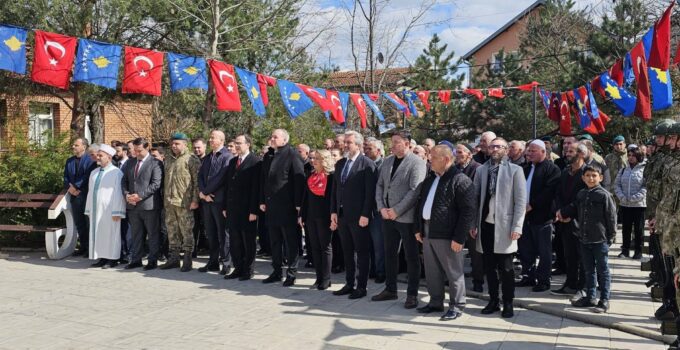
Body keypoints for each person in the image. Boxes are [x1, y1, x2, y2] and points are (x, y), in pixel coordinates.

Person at [413, 145, 475, 320]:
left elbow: (468, 211)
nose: (429, 160)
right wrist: (418, 228)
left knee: (453, 271)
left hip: (448, 234)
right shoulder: (430, 179)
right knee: (432, 271)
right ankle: (435, 302)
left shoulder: (460, 180)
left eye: (433, 157)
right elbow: (421, 204)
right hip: (428, 230)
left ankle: (457, 305)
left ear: (446, 160)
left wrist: (459, 237)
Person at [470, 138, 526, 318]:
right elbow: (475, 199)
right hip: (486, 225)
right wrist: (473, 223)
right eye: (492, 146)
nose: (494, 149)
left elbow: (520, 201)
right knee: (489, 267)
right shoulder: (482, 170)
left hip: (505, 226)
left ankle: (508, 302)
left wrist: (517, 226)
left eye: (498, 146)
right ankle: (493, 300)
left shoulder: (515, 171)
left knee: (507, 268)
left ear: (506, 149)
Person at [373, 131, 427, 309]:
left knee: (411, 257)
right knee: (390, 254)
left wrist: (396, 210)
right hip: (387, 216)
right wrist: (381, 207)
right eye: (392, 142)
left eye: (396, 142)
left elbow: (414, 191)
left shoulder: (417, 163)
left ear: (407, 143)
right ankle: (390, 289)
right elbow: (380, 185)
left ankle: (412, 294)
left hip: (406, 217)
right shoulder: (388, 161)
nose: (393, 145)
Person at [557, 164, 616, 313]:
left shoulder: (605, 195)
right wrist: (564, 214)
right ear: (583, 178)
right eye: (588, 176)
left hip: (599, 239)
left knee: (603, 270)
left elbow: (611, 217)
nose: (591, 178)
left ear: (600, 178)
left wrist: (610, 237)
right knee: (588, 270)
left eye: (594, 176)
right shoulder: (581, 194)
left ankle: (604, 299)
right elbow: (576, 210)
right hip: (583, 238)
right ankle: (590, 297)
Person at [330, 131, 376, 299]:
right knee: (347, 251)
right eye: (345, 142)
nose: (346, 145)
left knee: (362, 252)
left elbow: (370, 193)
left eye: (349, 142)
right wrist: (333, 211)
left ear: (358, 144)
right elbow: (335, 190)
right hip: (342, 215)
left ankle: (361, 286)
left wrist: (365, 214)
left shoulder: (367, 164)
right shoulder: (341, 163)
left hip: (359, 217)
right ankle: (349, 283)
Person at [260, 129, 305, 286]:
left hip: (287, 207)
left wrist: (298, 205)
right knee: (275, 241)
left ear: (285, 140)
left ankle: (291, 273)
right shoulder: (269, 155)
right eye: (271, 136)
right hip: (271, 206)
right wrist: (262, 200)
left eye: (275, 137)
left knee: (290, 242)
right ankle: (276, 271)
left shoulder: (292, 155)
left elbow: (299, 181)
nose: (272, 139)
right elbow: (264, 180)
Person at [517, 140, 561, 292]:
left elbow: (549, 192)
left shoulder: (552, 169)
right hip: (525, 216)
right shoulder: (525, 168)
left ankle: (543, 280)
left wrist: (532, 205)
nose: (529, 154)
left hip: (542, 216)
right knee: (526, 248)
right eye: (528, 151)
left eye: (533, 151)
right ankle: (528, 276)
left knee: (544, 251)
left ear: (543, 152)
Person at [550, 142, 588, 297]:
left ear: (581, 154)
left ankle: (583, 287)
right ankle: (570, 284)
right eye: (566, 151)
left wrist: (567, 213)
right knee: (569, 255)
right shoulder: (565, 171)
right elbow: (558, 193)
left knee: (582, 257)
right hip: (564, 221)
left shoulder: (588, 172)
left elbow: (583, 197)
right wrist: (559, 212)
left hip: (581, 221)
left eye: (571, 151)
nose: (567, 154)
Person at [222, 135, 261, 280]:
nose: (236, 146)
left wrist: (253, 210)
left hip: (247, 210)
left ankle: (248, 270)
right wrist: (225, 206)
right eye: (235, 143)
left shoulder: (256, 162)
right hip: (233, 208)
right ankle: (238, 268)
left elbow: (256, 188)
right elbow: (228, 186)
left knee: (248, 241)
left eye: (239, 143)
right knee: (235, 240)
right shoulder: (233, 162)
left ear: (248, 144)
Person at [159, 133, 200, 272]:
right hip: (169, 202)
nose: (174, 146)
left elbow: (197, 182)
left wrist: (195, 200)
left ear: (185, 144)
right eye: (172, 143)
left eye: (177, 143)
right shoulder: (168, 159)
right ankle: (174, 258)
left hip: (185, 202)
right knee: (172, 230)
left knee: (187, 230)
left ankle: (187, 258)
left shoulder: (191, 159)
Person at [121, 137, 163, 270]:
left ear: (147, 148)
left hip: (149, 205)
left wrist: (140, 196)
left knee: (152, 234)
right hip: (132, 206)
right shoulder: (130, 163)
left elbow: (156, 184)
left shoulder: (155, 163)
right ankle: (136, 259)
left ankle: (152, 260)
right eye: (135, 150)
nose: (137, 153)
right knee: (136, 234)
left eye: (139, 151)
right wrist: (127, 194)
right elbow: (124, 181)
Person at [198, 130, 233, 274]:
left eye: (213, 138)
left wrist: (205, 192)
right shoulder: (207, 158)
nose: (210, 140)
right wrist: (202, 193)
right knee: (210, 232)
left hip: (219, 201)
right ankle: (212, 262)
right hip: (207, 201)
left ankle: (226, 263)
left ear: (222, 140)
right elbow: (200, 176)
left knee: (222, 233)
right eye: (210, 137)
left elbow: (221, 177)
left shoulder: (227, 157)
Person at [85, 144, 126, 269]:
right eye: (97, 155)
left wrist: (117, 211)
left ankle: (112, 259)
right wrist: (88, 209)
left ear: (109, 157)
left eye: (100, 155)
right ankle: (102, 257)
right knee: (99, 234)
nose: (97, 157)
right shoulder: (94, 172)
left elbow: (119, 193)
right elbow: (90, 191)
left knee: (111, 234)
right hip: (96, 209)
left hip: (110, 210)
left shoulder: (116, 172)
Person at [300, 150, 335, 290]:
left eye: (318, 159)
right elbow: (305, 197)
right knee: (314, 247)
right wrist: (302, 215)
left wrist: (333, 216)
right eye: (313, 159)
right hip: (310, 216)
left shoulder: (331, 177)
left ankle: (326, 279)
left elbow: (333, 199)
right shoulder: (311, 175)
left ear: (325, 160)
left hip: (325, 216)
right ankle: (318, 278)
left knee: (325, 247)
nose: (314, 161)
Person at [64, 138, 96, 257]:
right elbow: (66, 177)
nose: (73, 147)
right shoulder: (69, 161)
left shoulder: (90, 160)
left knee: (88, 223)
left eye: (76, 145)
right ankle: (83, 246)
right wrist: (69, 188)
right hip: (74, 196)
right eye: (73, 145)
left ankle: (90, 248)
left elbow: (87, 176)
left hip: (86, 195)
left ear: (84, 146)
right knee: (79, 223)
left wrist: (76, 187)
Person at [614, 146, 646, 259]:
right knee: (625, 229)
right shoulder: (623, 169)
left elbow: (645, 187)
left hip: (638, 205)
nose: (631, 157)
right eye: (629, 155)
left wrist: (635, 197)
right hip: (625, 204)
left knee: (639, 229)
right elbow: (616, 184)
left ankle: (638, 251)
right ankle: (625, 250)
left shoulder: (644, 169)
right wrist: (621, 196)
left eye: (633, 155)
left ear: (638, 157)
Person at [365, 137, 386, 283]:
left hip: (379, 210)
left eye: (369, 148)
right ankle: (372, 269)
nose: (366, 151)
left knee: (379, 243)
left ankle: (381, 271)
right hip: (366, 210)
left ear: (378, 151)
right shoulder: (365, 164)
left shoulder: (384, 165)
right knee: (369, 243)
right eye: (365, 148)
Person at [192, 138, 208, 258]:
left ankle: (207, 247)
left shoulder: (208, 160)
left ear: (205, 147)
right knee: (194, 226)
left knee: (207, 226)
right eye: (195, 147)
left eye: (199, 147)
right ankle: (193, 251)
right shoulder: (191, 160)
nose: (197, 149)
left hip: (206, 198)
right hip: (193, 199)